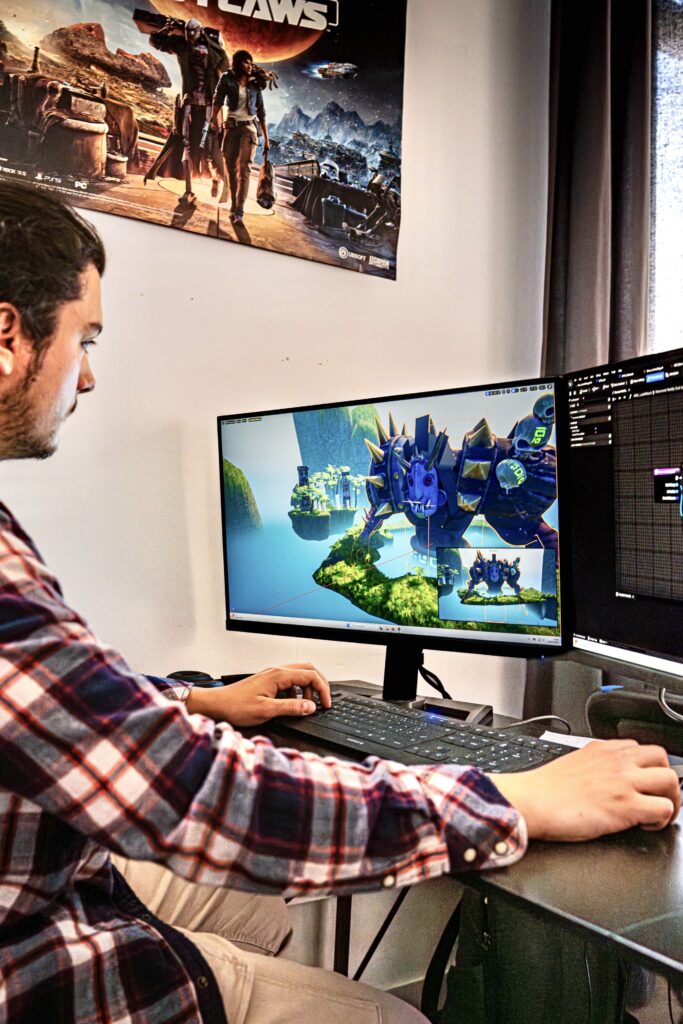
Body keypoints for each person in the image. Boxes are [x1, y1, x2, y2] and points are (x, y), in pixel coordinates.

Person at [0, 180, 679, 1024]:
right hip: (33, 962)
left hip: (45, 878)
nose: (90, 375)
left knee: (255, 911)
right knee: (395, 1018)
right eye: (86, 339)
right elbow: (204, 796)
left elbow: (49, 708)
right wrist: (509, 800)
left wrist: (194, 701)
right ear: (8, 335)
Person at [150, 17, 229, 206]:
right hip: (190, 103)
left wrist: (210, 41)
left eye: (193, 33)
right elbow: (156, 42)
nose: (190, 37)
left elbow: (226, 65)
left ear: (200, 32)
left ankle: (223, 182)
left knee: (212, 149)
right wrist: (166, 29)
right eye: (187, 33)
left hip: (209, 107)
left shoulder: (213, 50)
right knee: (186, 146)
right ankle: (188, 190)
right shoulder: (182, 45)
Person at [211, 50, 270, 222]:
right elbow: (218, 99)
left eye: (251, 62)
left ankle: (239, 210)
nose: (249, 65)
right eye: (246, 62)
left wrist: (266, 140)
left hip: (249, 129)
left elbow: (261, 112)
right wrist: (213, 118)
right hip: (230, 128)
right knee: (230, 169)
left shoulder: (255, 84)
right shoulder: (227, 78)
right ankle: (234, 203)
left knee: (244, 169)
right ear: (237, 63)